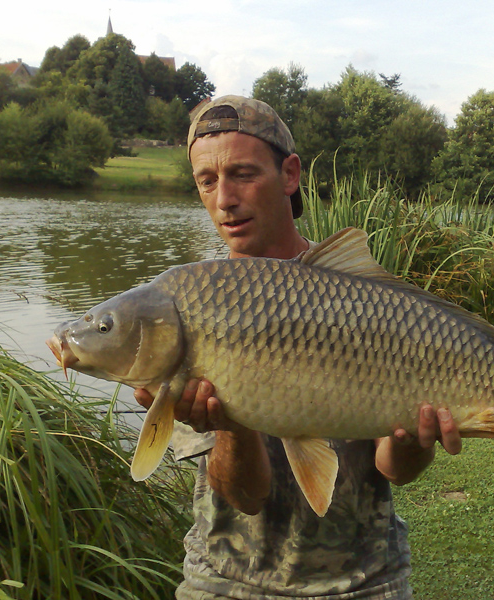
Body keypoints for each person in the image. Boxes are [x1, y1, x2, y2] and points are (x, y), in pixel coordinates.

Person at [134, 95, 462, 600]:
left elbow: (398, 469)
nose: (224, 199)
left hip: (364, 581)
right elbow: (245, 495)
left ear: (290, 174)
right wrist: (231, 424)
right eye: (207, 181)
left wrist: (414, 436)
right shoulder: (185, 306)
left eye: (242, 173)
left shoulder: (363, 297)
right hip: (226, 580)